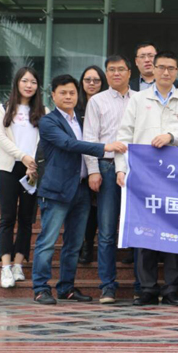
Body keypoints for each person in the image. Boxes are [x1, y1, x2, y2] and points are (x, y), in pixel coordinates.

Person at [116, 51, 178, 306]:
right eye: (162, 67)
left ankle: (172, 289)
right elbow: (124, 135)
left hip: (176, 179)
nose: (166, 72)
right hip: (144, 176)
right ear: (152, 69)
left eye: (171, 68)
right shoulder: (138, 99)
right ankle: (147, 289)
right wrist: (121, 168)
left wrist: (172, 137)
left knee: (175, 231)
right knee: (146, 231)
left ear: (177, 71)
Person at [32, 74, 127, 305]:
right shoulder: (48, 121)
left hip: (81, 189)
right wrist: (105, 147)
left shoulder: (82, 120)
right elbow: (68, 144)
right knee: (48, 241)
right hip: (56, 190)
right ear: (53, 95)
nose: (68, 96)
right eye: (63, 93)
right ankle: (41, 288)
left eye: (72, 92)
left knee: (74, 244)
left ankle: (66, 288)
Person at [83, 55, 135, 304]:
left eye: (120, 69)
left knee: (139, 227)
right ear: (106, 74)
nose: (116, 73)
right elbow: (89, 137)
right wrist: (93, 170)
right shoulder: (97, 100)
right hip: (106, 166)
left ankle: (142, 286)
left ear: (129, 72)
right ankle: (107, 286)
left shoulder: (141, 99)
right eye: (111, 70)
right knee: (106, 230)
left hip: (136, 169)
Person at [0, 67, 47, 288]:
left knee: (26, 219)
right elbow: (0, 138)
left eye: (33, 82)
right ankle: (5, 267)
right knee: (7, 218)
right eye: (25, 81)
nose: (29, 85)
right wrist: (22, 156)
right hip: (8, 168)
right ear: (17, 83)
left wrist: (33, 163)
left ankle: (18, 264)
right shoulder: (3, 108)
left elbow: (44, 140)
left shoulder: (44, 111)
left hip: (32, 170)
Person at [76, 65, 108, 265]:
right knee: (81, 208)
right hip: (77, 165)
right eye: (87, 80)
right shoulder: (74, 107)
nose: (92, 83)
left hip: (100, 163)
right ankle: (81, 245)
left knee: (96, 208)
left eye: (96, 80)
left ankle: (88, 245)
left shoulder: (106, 105)